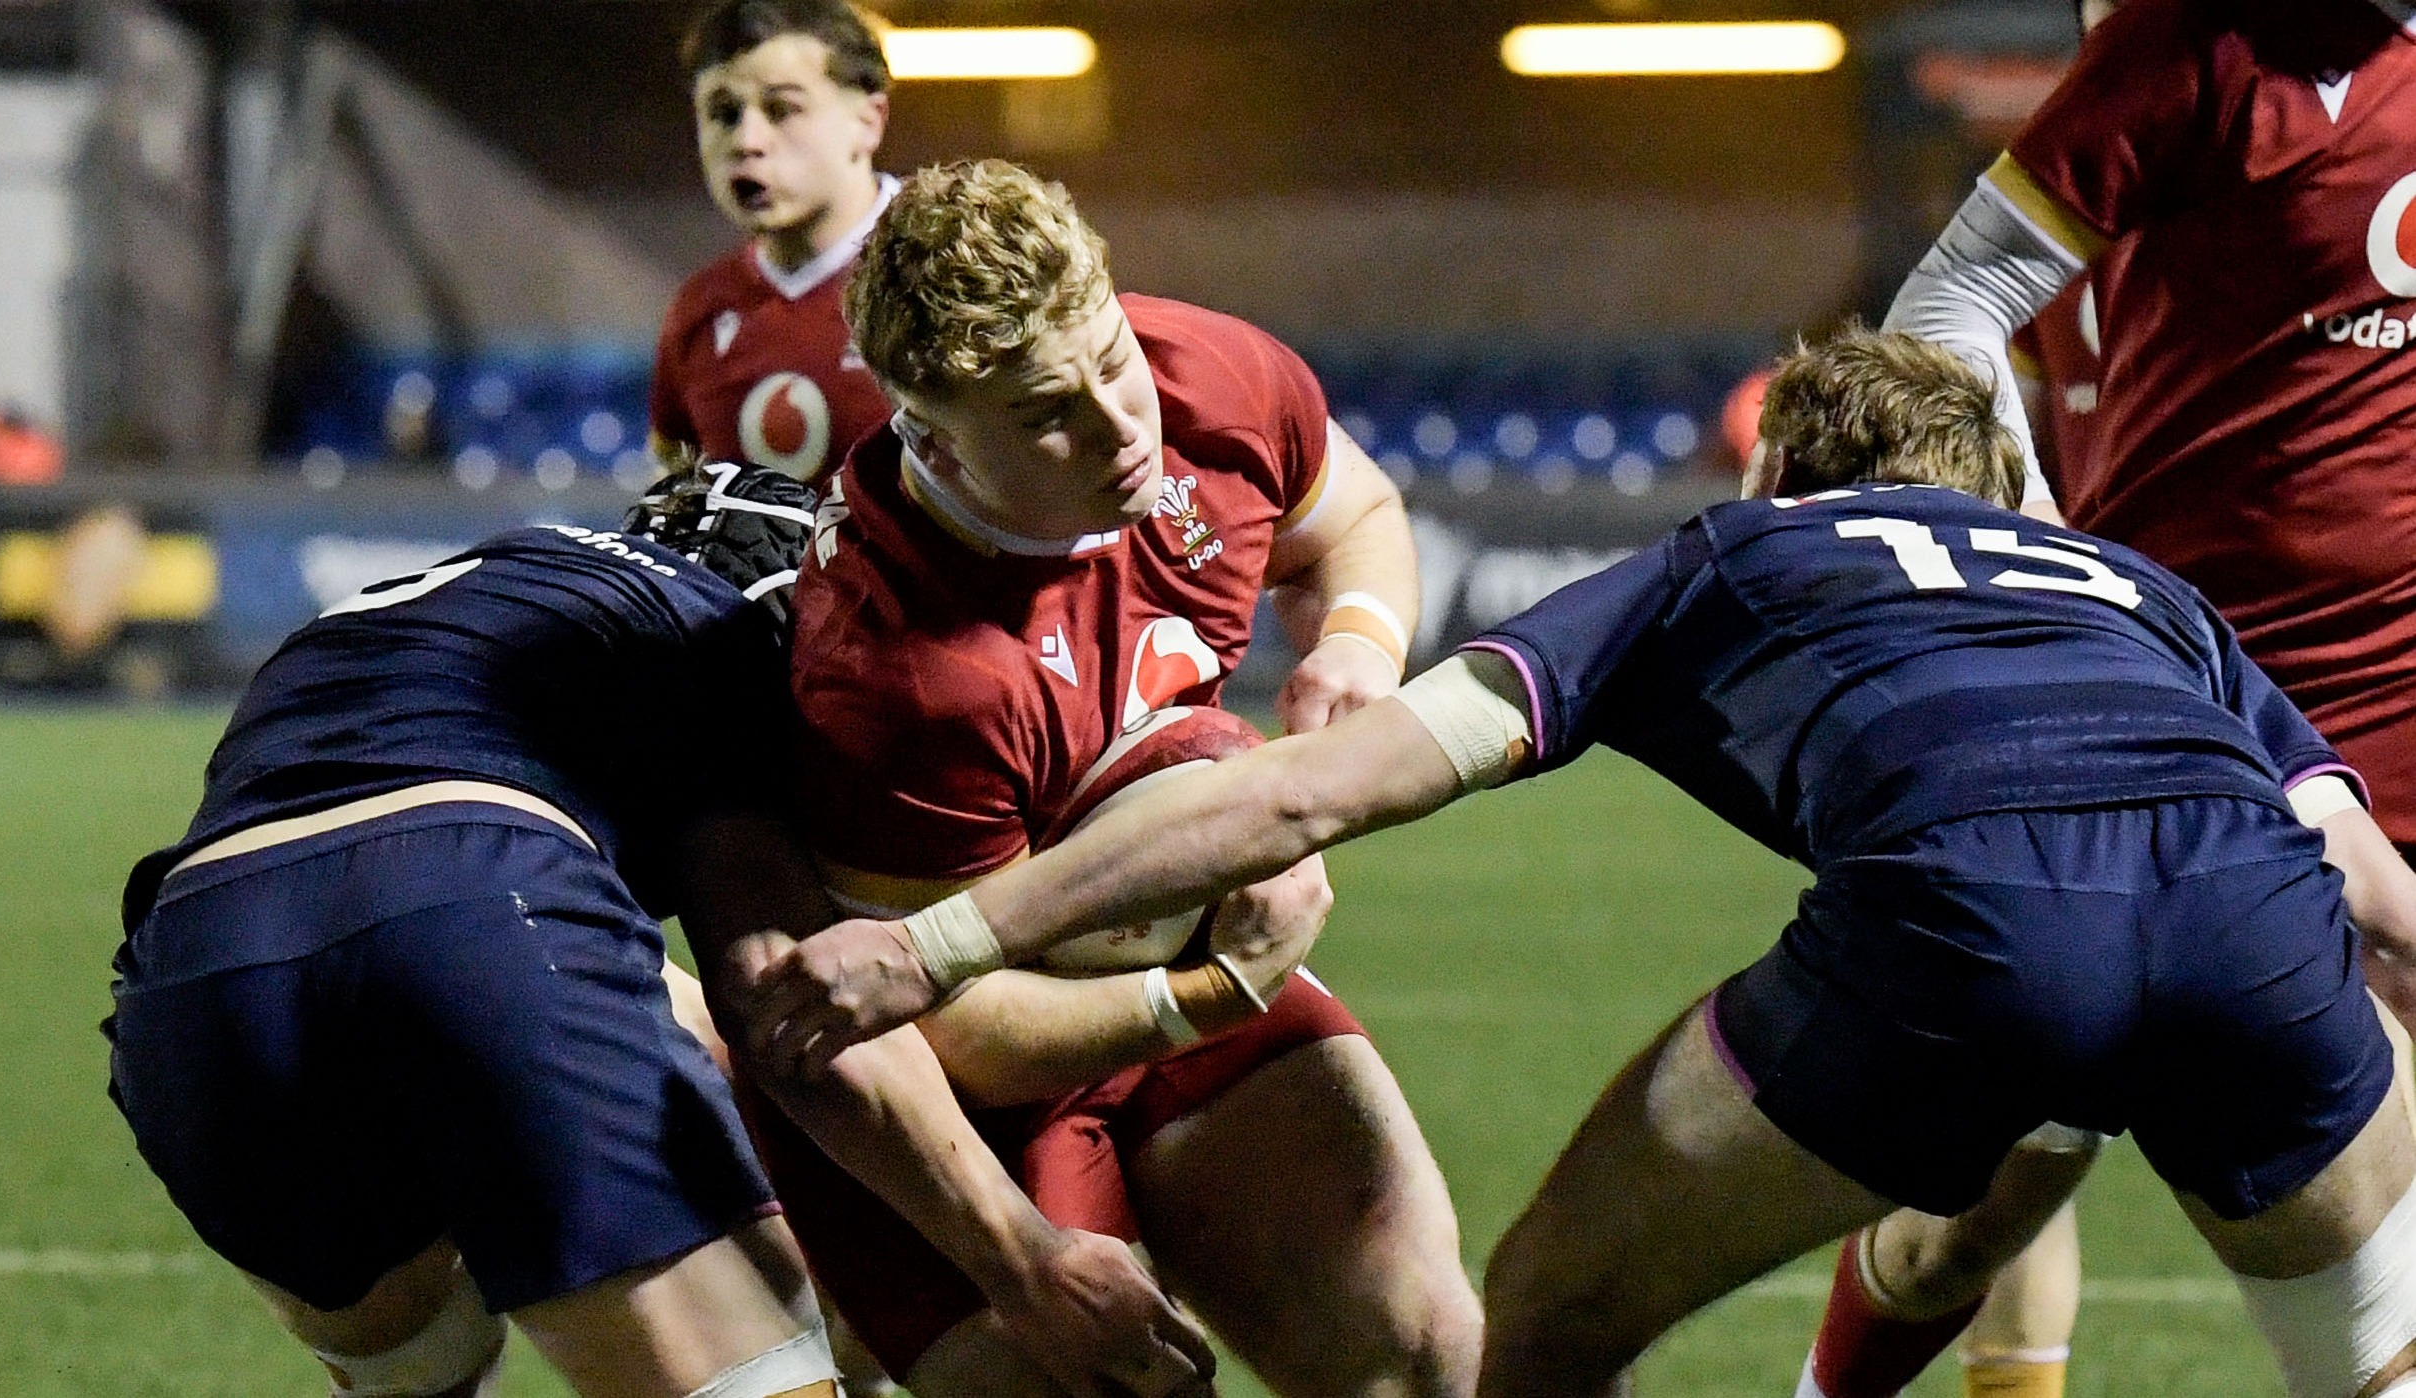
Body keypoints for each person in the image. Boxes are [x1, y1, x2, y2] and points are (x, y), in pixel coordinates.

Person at [753, 328, 2416, 1398]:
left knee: (1546, 1311)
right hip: (2256, 926)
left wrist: (948, 939)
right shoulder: (2138, 591)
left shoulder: (1736, 550)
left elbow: (1312, 792)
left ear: (1783, 474)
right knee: (2372, 1361)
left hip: (1962, 917)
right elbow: (2374, 891)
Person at [105, 461, 1206, 1398]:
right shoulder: (709, 631)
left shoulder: (401, 608)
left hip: (195, 982)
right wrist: (1021, 1259)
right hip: (472, 907)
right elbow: (782, 1004)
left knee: (416, 1353)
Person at [719, 158, 1483, 1397]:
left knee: (1419, 1352)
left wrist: (1356, 646)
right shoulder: (900, 667)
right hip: (954, 1084)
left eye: (1111, 357)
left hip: (1165, 957)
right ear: (932, 436)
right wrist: (1208, 992)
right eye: (1044, 412)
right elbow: (950, 1022)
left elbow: (1355, 513)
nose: (1124, 424)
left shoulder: (1206, 378)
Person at [1844, 0, 2416, 1389]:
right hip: (2184, 715)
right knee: (1984, 1192)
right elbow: (1964, 335)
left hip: (2384, 686)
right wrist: (2039, 572)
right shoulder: (2166, 112)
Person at [650, 0, 897, 487]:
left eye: (783, 109)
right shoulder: (699, 310)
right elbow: (671, 507)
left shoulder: (953, 274)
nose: (748, 140)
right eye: (723, 113)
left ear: (869, 121)